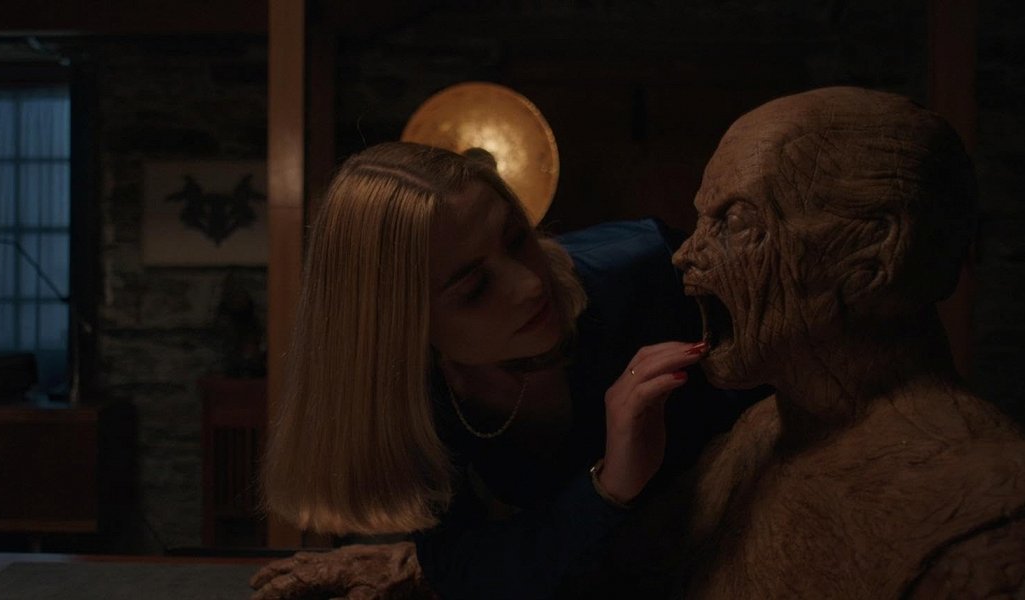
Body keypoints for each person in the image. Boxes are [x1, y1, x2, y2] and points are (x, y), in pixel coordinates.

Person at [250, 142, 759, 599]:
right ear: (400, 330)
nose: (530, 284)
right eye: (475, 288)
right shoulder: (415, 395)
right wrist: (611, 484)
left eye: (517, 239)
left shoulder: (649, 269)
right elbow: (464, 574)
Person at [668, 87, 1025, 597]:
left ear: (874, 249)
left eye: (735, 221)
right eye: (702, 220)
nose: (686, 253)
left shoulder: (994, 523)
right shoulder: (753, 441)